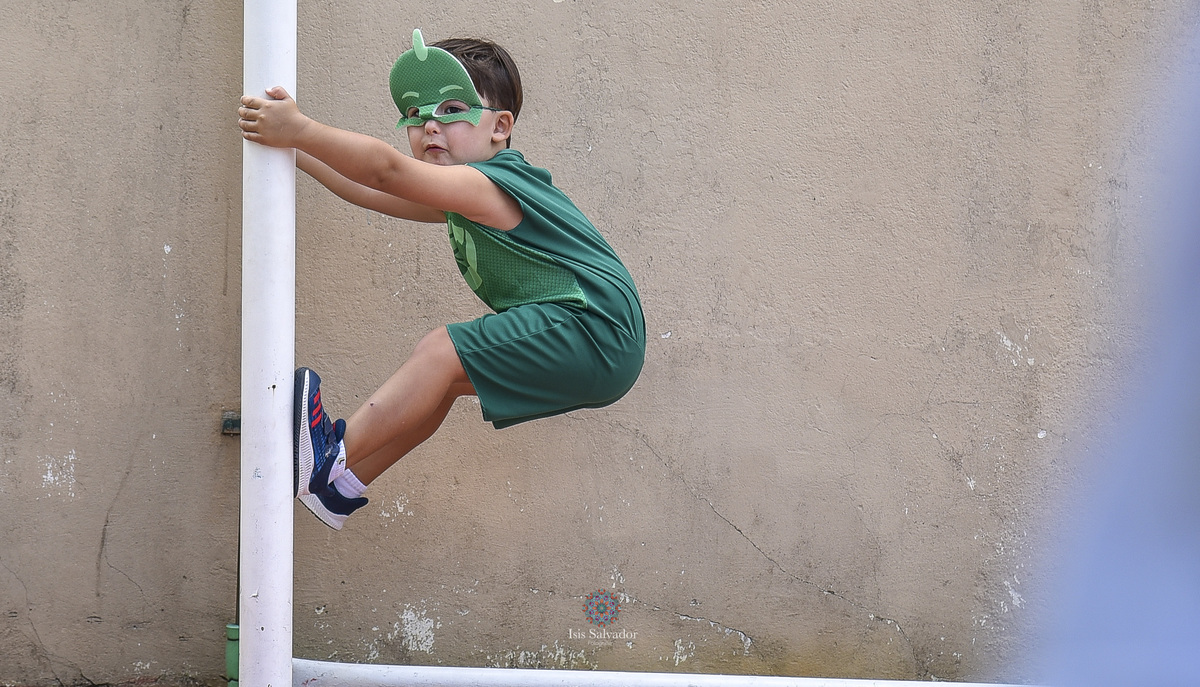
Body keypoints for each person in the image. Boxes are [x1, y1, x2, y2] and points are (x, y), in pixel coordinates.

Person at [237, 29, 645, 530]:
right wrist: (288, 148)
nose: (430, 124)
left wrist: (302, 130)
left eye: (452, 109)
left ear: (500, 127)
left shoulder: (493, 183)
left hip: (594, 327)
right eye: (415, 113)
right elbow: (366, 190)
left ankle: (328, 454)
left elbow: (385, 171)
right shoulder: (464, 197)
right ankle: (341, 487)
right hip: (606, 347)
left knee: (440, 351)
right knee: (444, 380)